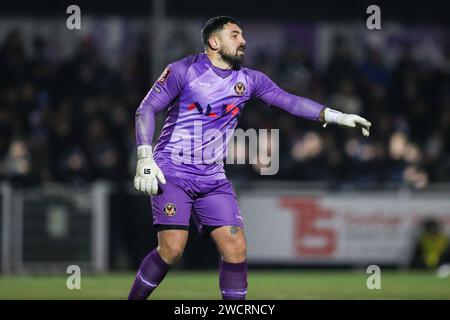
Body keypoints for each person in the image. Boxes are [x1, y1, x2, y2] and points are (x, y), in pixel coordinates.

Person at [128, 16, 372, 300]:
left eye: (242, 35)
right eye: (235, 35)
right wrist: (145, 156)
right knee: (172, 249)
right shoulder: (183, 70)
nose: (243, 40)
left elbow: (290, 101)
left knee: (236, 247)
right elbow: (145, 109)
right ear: (214, 42)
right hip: (172, 171)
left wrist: (338, 116)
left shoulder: (249, 80)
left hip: (212, 178)